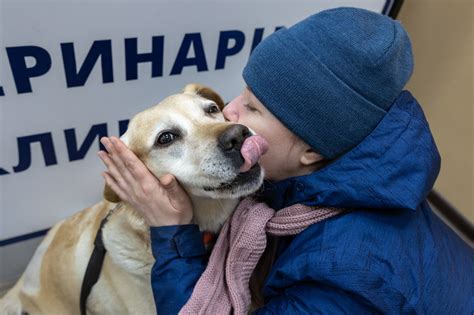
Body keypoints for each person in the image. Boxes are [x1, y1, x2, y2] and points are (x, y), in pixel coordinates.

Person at [98, 7, 473, 314]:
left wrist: (172, 232)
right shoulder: (334, 179)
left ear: (312, 150)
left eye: (253, 108)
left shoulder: (344, 272)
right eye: (236, 98)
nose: (229, 116)